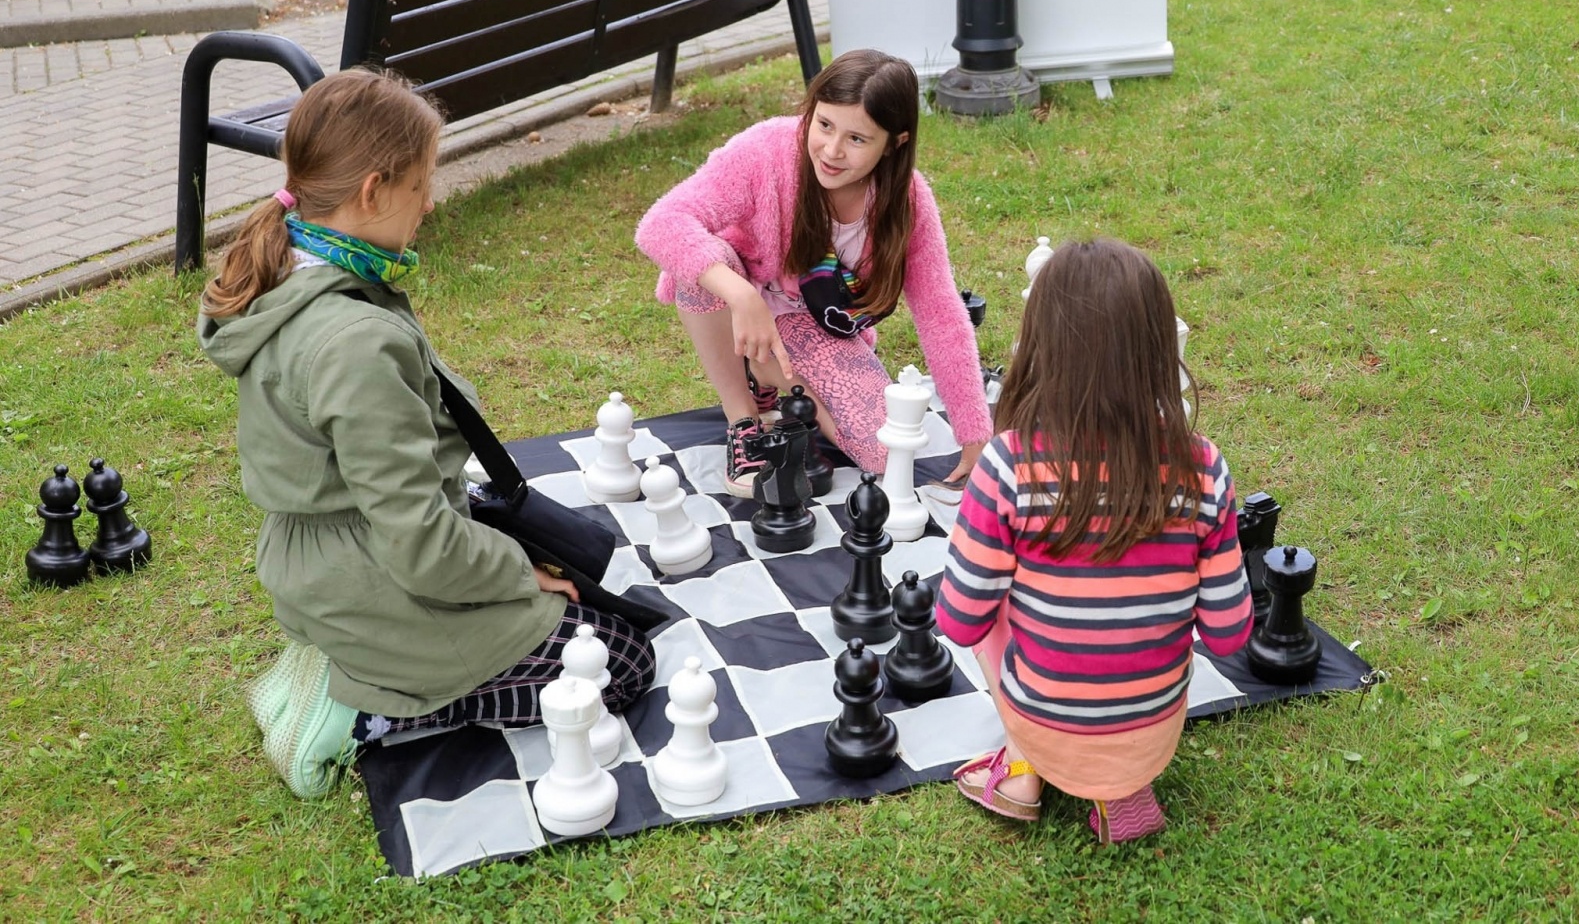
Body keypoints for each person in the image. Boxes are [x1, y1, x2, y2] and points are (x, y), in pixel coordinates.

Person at [197, 70, 654, 797]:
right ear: (372, 190)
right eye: (421, 183)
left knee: (585, 591)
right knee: (623, 664)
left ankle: (351, 661)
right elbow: (418, 542)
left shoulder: (299, 267)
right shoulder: (353, 342)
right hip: (377, 575)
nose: (431, 202)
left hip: (340, 552)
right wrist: (514, 576)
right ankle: (359, 710)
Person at [935, 239, 1252, 842]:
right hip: (1153, 726)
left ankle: (1021, 771)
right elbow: (1230, 634)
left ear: (1041, 346)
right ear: (1158, 347)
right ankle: (1124, 789)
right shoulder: (1203, 467)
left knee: (997, 603)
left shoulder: (1008, 465)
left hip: (1043, 718)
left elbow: (958, 622)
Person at [635, 48, 991, 497]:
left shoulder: (908, 201)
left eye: (857, 139)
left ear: (895, 143)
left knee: (883, 450)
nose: (832, 151)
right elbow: (661, 223)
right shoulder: (766, 150)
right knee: (699, 262)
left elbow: (940, 311)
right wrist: (743, 297)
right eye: (824, 125)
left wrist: (974, 432)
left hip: (811, 321)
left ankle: (763, 373)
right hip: (731, 303)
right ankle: (742, 419)